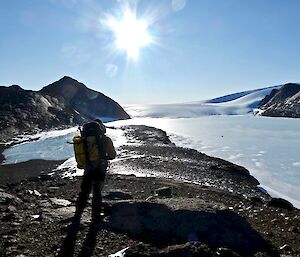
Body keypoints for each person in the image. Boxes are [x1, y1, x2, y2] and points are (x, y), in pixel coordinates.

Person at [73, 119, 116, 225]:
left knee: (84, 191)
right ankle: (96, 216)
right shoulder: (105, 139)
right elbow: (112, 155)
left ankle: (78, 215)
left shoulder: (83, 139)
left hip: (88, 168)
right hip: (100, 167)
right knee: (97, 192)